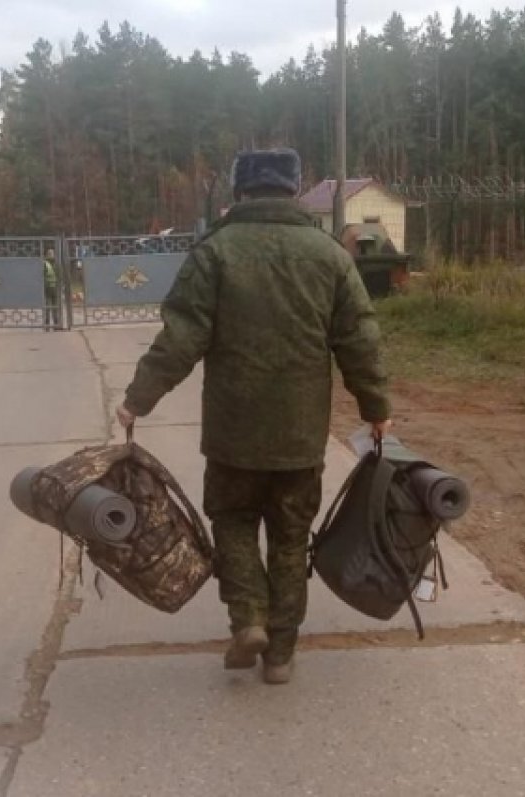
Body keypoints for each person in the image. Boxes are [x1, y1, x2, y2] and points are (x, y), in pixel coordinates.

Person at [115, 148, 391, 685]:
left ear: (240, 191)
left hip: (232, 434)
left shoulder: (215, 251)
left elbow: (181, 337)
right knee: (290, 538)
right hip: (299, 436)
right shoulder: (329, 255)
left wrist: (137, 400)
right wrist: (376, 407)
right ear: (293, 189)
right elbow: (360, 339)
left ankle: (248, 620)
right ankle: (280, 654)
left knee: (234, 522)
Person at [42, 248, 60, 331]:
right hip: (50, 288)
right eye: (50, 254)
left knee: (53, 307)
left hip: (53, 288)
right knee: (49, 307)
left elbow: (59, 275)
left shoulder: (54, 263)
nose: (51, 255)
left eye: (52, 253)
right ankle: (50, 325)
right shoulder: (46, 264)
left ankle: (54, 324)